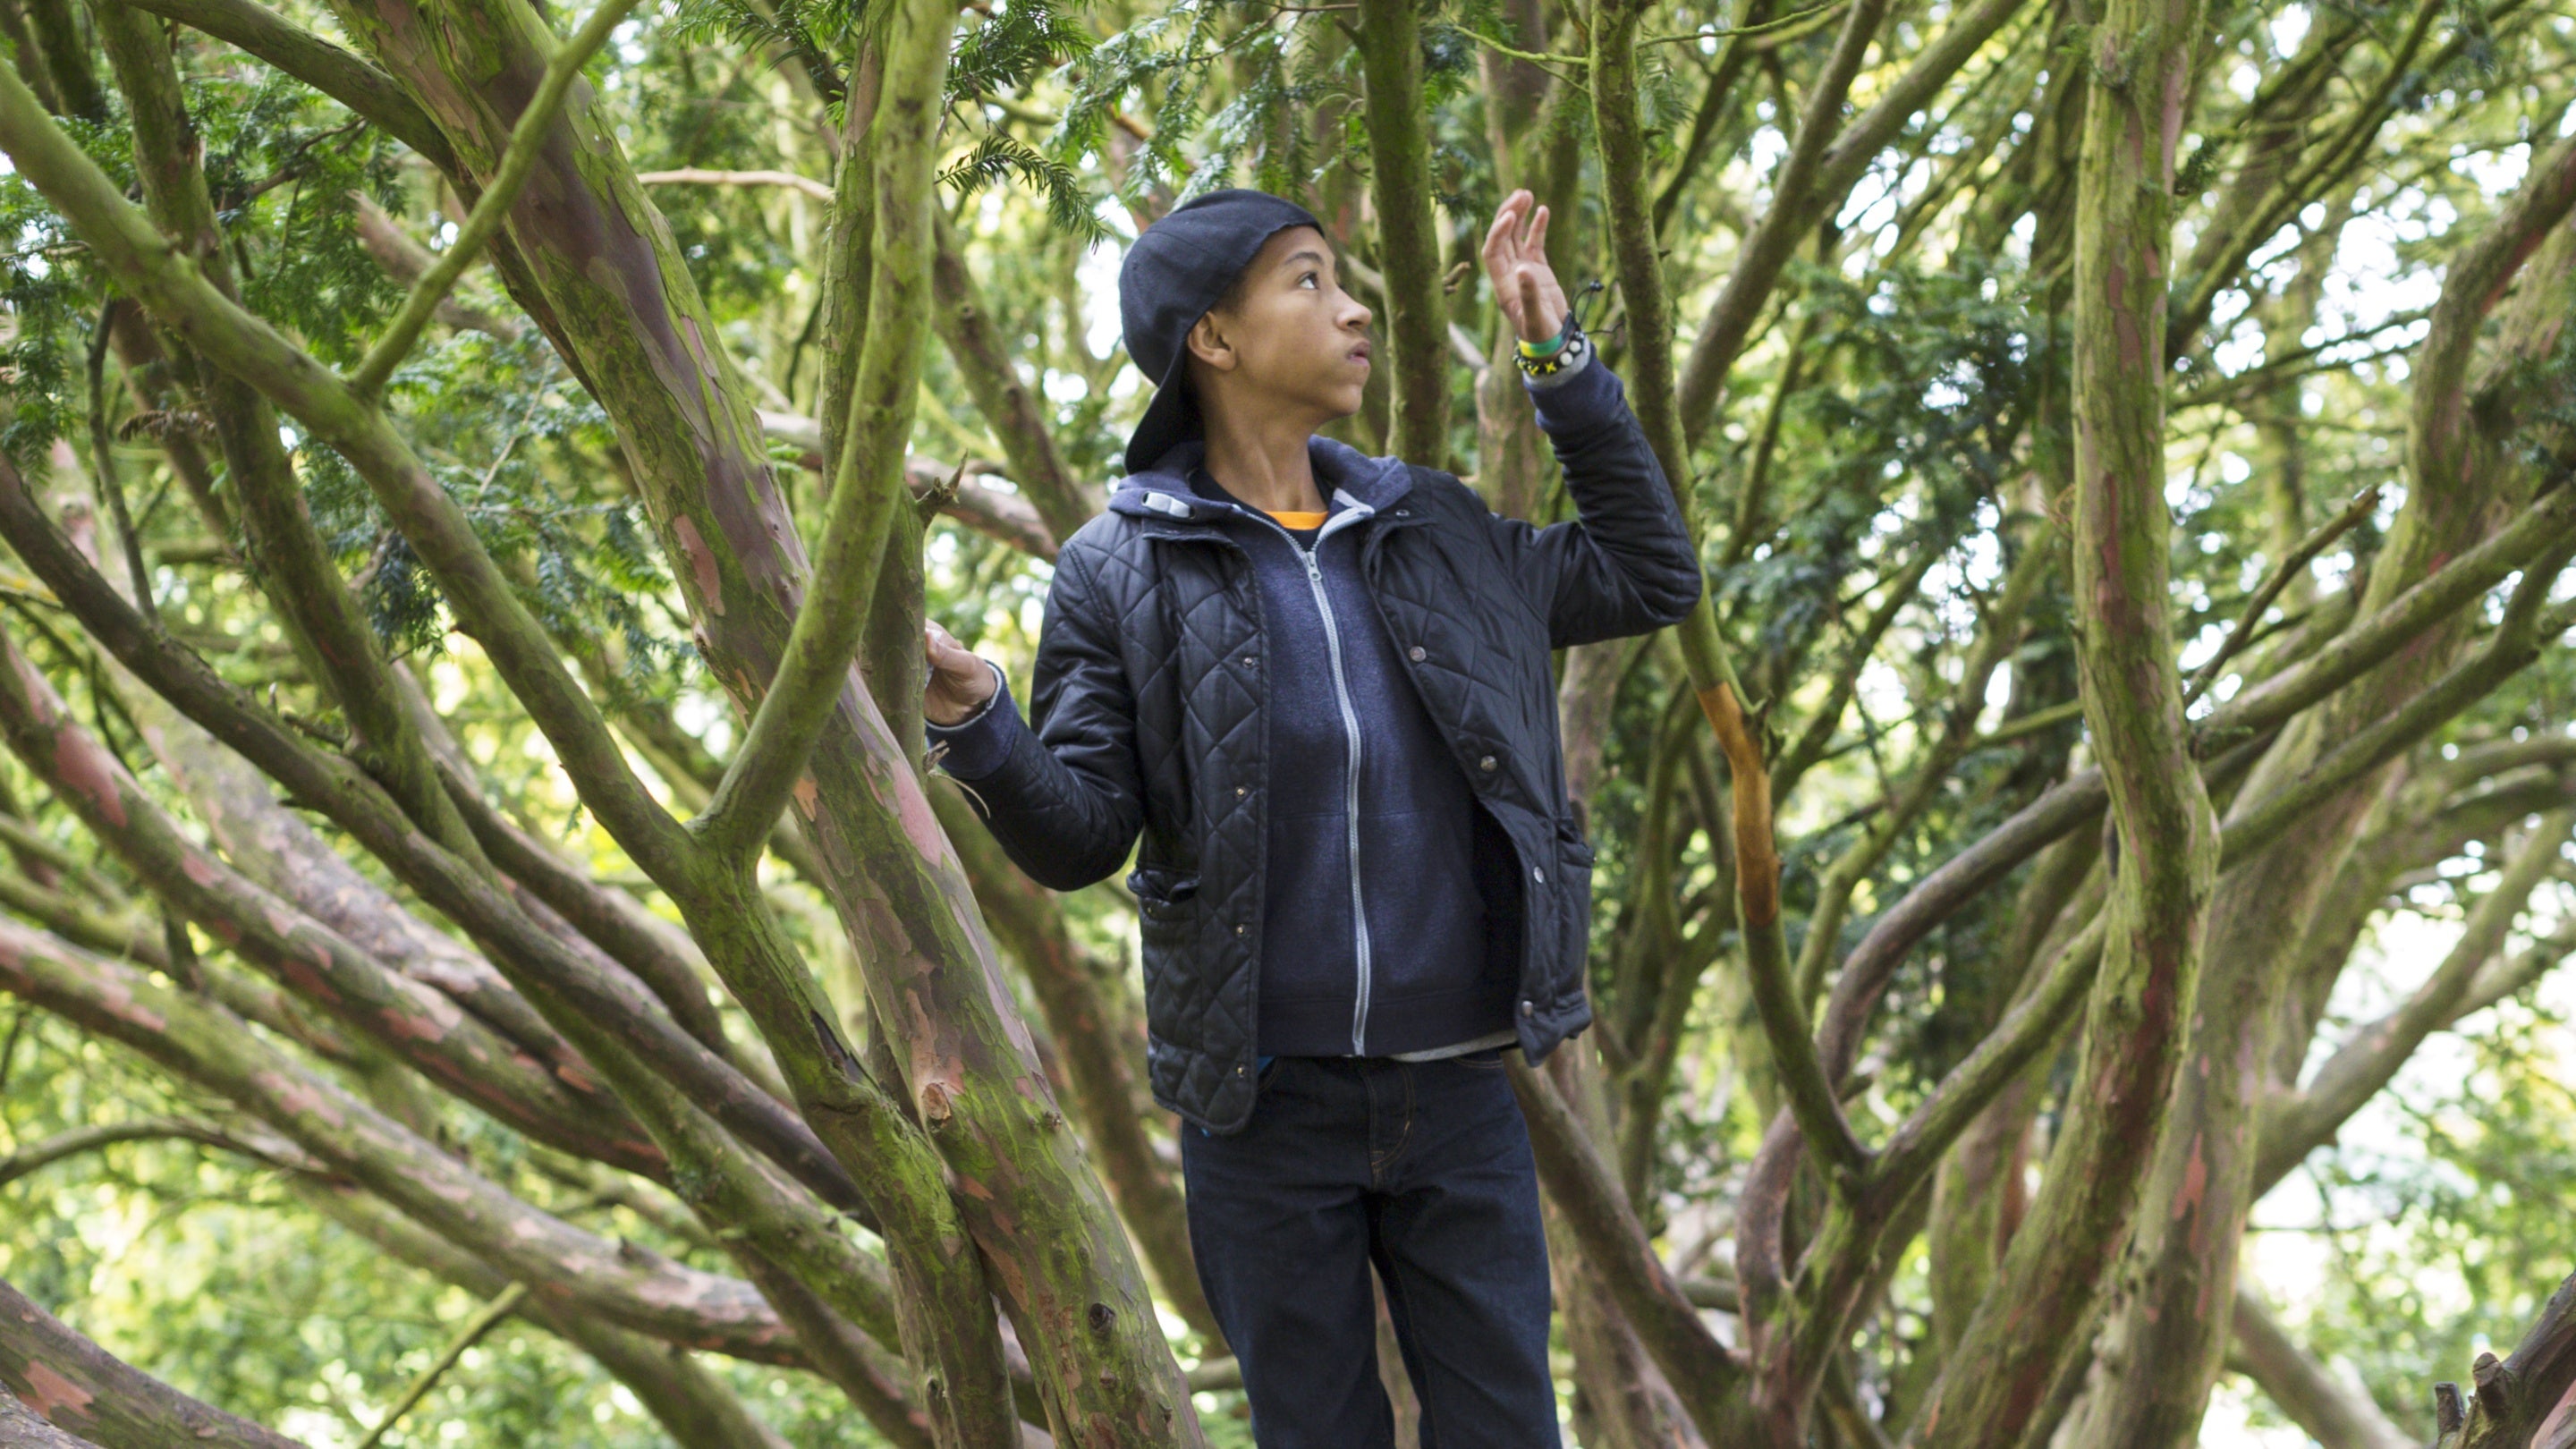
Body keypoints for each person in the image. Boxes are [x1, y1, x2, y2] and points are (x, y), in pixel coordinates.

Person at [919, 187, 1700, 1447]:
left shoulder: (1431, 526)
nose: (1353, 311)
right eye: (1308, 280)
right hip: (1263, 1111)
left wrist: (1560, 361)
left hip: (1460, 1096)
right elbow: (1081, 840)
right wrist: (978, 723)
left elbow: (1650, 573)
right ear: (1212, 341)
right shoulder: (1116, 570)